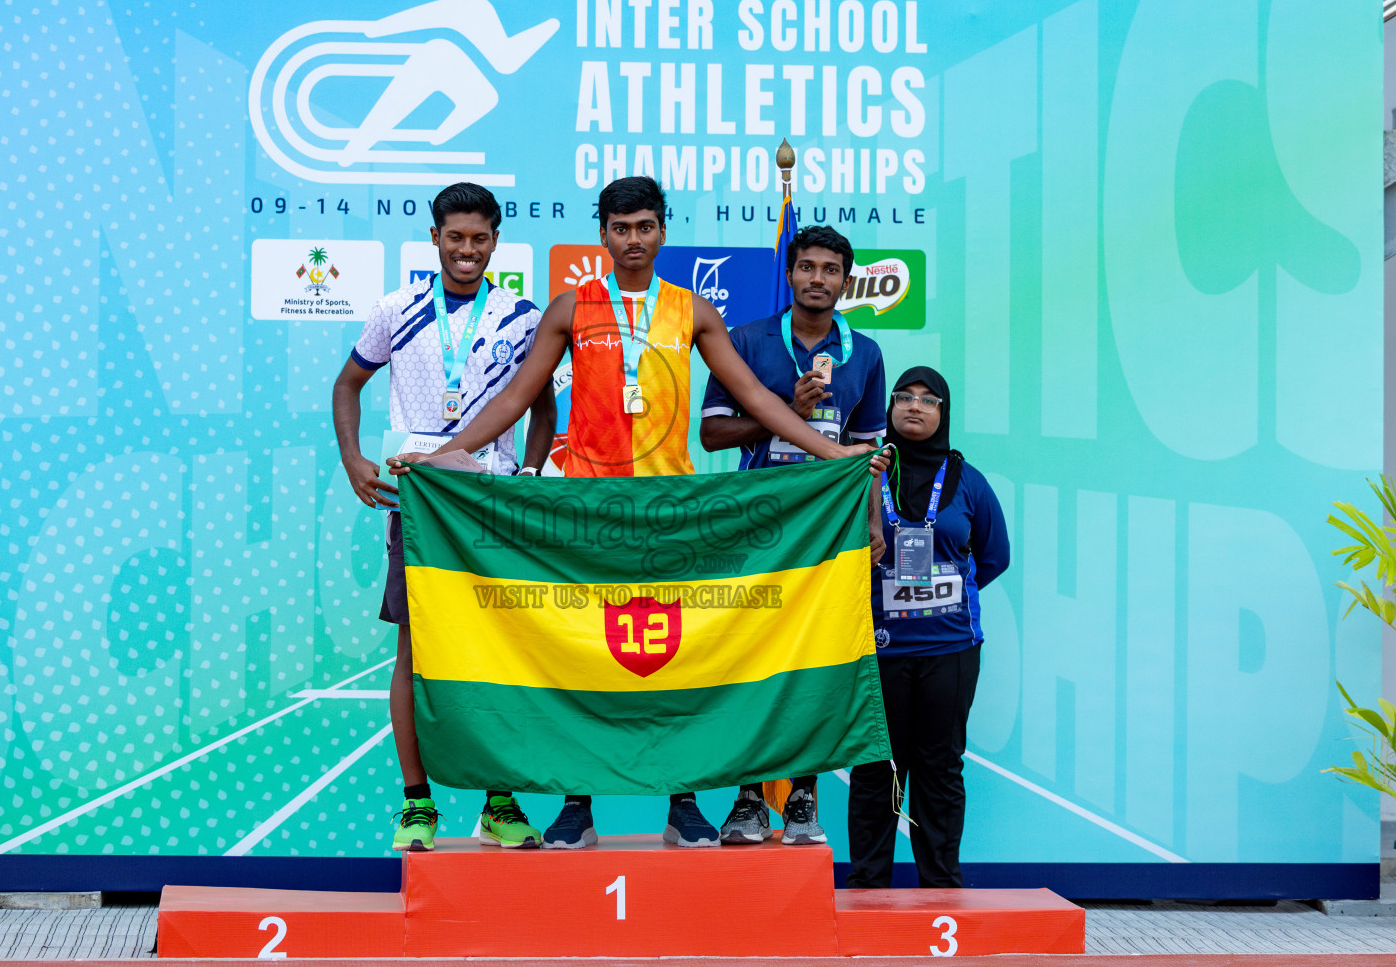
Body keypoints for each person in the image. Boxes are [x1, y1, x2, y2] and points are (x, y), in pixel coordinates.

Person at [392, 176, 877, 849]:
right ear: (603, 234)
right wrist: (444, 454)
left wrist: (831, 452)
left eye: (645, 227)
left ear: (662, 232)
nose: (633, 240)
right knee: (582, 659)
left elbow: (757, 401)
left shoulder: (693, 311)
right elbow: (514, 400)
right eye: (620, 229)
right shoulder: (571, 308)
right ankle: (574, 806)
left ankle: (682, 805)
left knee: (677, 660)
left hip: (669, 511)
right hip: (587, 510)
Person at [330, 182, 556, 852]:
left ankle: (500, 802)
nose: (466, 250)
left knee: (501, 653)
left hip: (491, 503)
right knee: (415, 649)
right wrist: (352, 459)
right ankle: (417, 803)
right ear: (434, 238)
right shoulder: (396, 308)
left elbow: (542, 407)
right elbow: (348, 383)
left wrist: (531, 476)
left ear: (495, 241)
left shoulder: (523, 315)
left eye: (479, 238)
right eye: (454, 237)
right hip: (419, 503)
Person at [701, 224, 890, 847]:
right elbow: (712, 435)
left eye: (830, 270)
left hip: (829, 531)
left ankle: (805, 798)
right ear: (789, 274)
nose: (817, 279)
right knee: (753, 659)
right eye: (806, 266)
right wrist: (788, 409)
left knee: (820, 659)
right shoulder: (747, 340)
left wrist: (872, 519)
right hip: (759, 525)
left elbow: (865, 451)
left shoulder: (865, 353)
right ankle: (750, 798)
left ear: (846, 279)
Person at [846, 367, 1010, 888]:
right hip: (877, 649)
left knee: (939, 767)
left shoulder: (970, 481)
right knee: (877, 769)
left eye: (929, 400)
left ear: (944, 414)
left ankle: (941, 883)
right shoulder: (863, 473)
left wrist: (938, 599)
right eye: (904, 398)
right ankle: (868, 883)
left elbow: (993, 556)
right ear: (890, 408)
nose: (915, 407)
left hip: (950, 649)